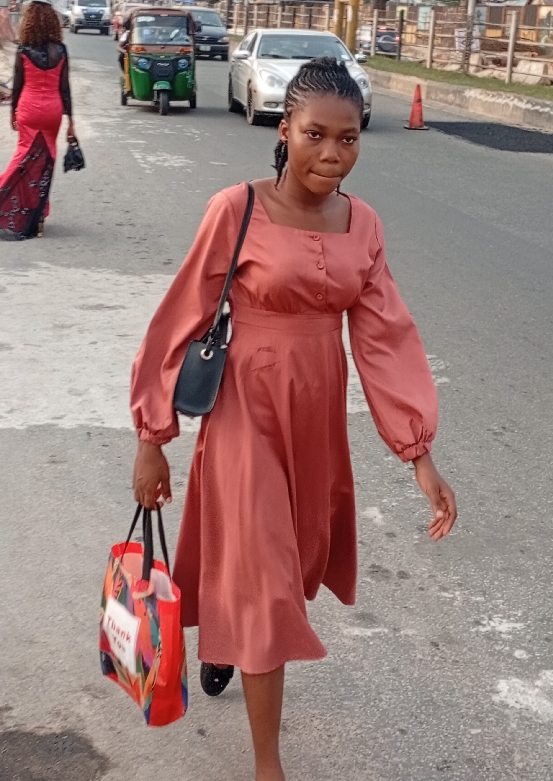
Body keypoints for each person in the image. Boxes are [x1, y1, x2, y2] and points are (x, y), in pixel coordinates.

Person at [130, 57, 457, 781]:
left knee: (286, 561)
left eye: (349, 138)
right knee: (266, 577)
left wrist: (419, 455)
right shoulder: (235, 209)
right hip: (244, 410)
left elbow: (385, 337)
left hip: (314, 414)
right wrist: (153, 437)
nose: (332, 154)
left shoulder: (363, 224)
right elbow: (180, 319)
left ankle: (232, 637)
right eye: (315, 135)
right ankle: (267, 765)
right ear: (285, 130)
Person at [0, 0, 74, 239]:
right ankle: (39, 215)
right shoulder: (61, 51)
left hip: (28, 108)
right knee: (46, 160)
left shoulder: (24, 50)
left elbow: (17, 86)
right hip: (52, 110)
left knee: (22, 156)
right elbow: (65, 89)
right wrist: (71, 121)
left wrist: (13, 113)